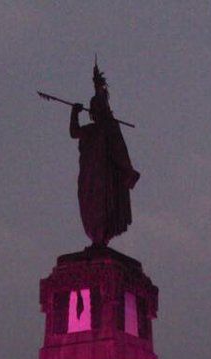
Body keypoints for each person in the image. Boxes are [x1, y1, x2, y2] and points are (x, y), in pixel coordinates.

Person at [70, 64, 140, 246]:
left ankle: (101, 238)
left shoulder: (109, 129)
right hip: (89, 176)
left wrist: (127, 171)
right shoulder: (92, 130)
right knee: (89, 203)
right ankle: (96, 238)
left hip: (105, 178)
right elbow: (74, 132)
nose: (96, 110)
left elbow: (120, 151)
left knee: (103, 205)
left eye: (99, 106)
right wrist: (74, 113)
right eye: (94, 106)